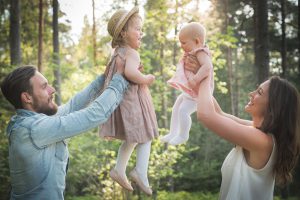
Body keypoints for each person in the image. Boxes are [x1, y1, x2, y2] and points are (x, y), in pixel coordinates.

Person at [0, 65, 128, 199]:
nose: (52, 89)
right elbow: (94, 114)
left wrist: (105, 77)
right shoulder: (33, 128)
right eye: (44, 87)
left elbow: (73, 106)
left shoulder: (30, 122)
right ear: (27, 98)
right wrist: (121, 78)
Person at [195, 62, 300, 199]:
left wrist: (204, 72)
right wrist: (200, 75)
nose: (251, 93)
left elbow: (206, 115)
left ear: (273, 107)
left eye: (259, 92)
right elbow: (218, 113)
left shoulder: (261, 140)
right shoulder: (258, 132)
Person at [98, 6, 158, 196]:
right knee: (146, 137)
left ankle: (119, 169)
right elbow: (131, 73)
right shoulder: (131, 53)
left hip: (121, 102)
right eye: (138, 29)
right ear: (124, 32)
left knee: (133, 139)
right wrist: (146, 78)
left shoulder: (116, 53)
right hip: (133, 102)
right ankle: (140, 171)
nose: (141, 33)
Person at [161, 22, 214, 145]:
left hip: (199, 93)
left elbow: (208, 67)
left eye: (183, 43)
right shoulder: (193, 51)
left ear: (196, 41)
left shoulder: (201, 52)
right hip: (190, 91)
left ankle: (183, 135)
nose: (181, 46)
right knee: (176, 108)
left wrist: (195, 79)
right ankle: (173, 132)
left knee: (183, 111)